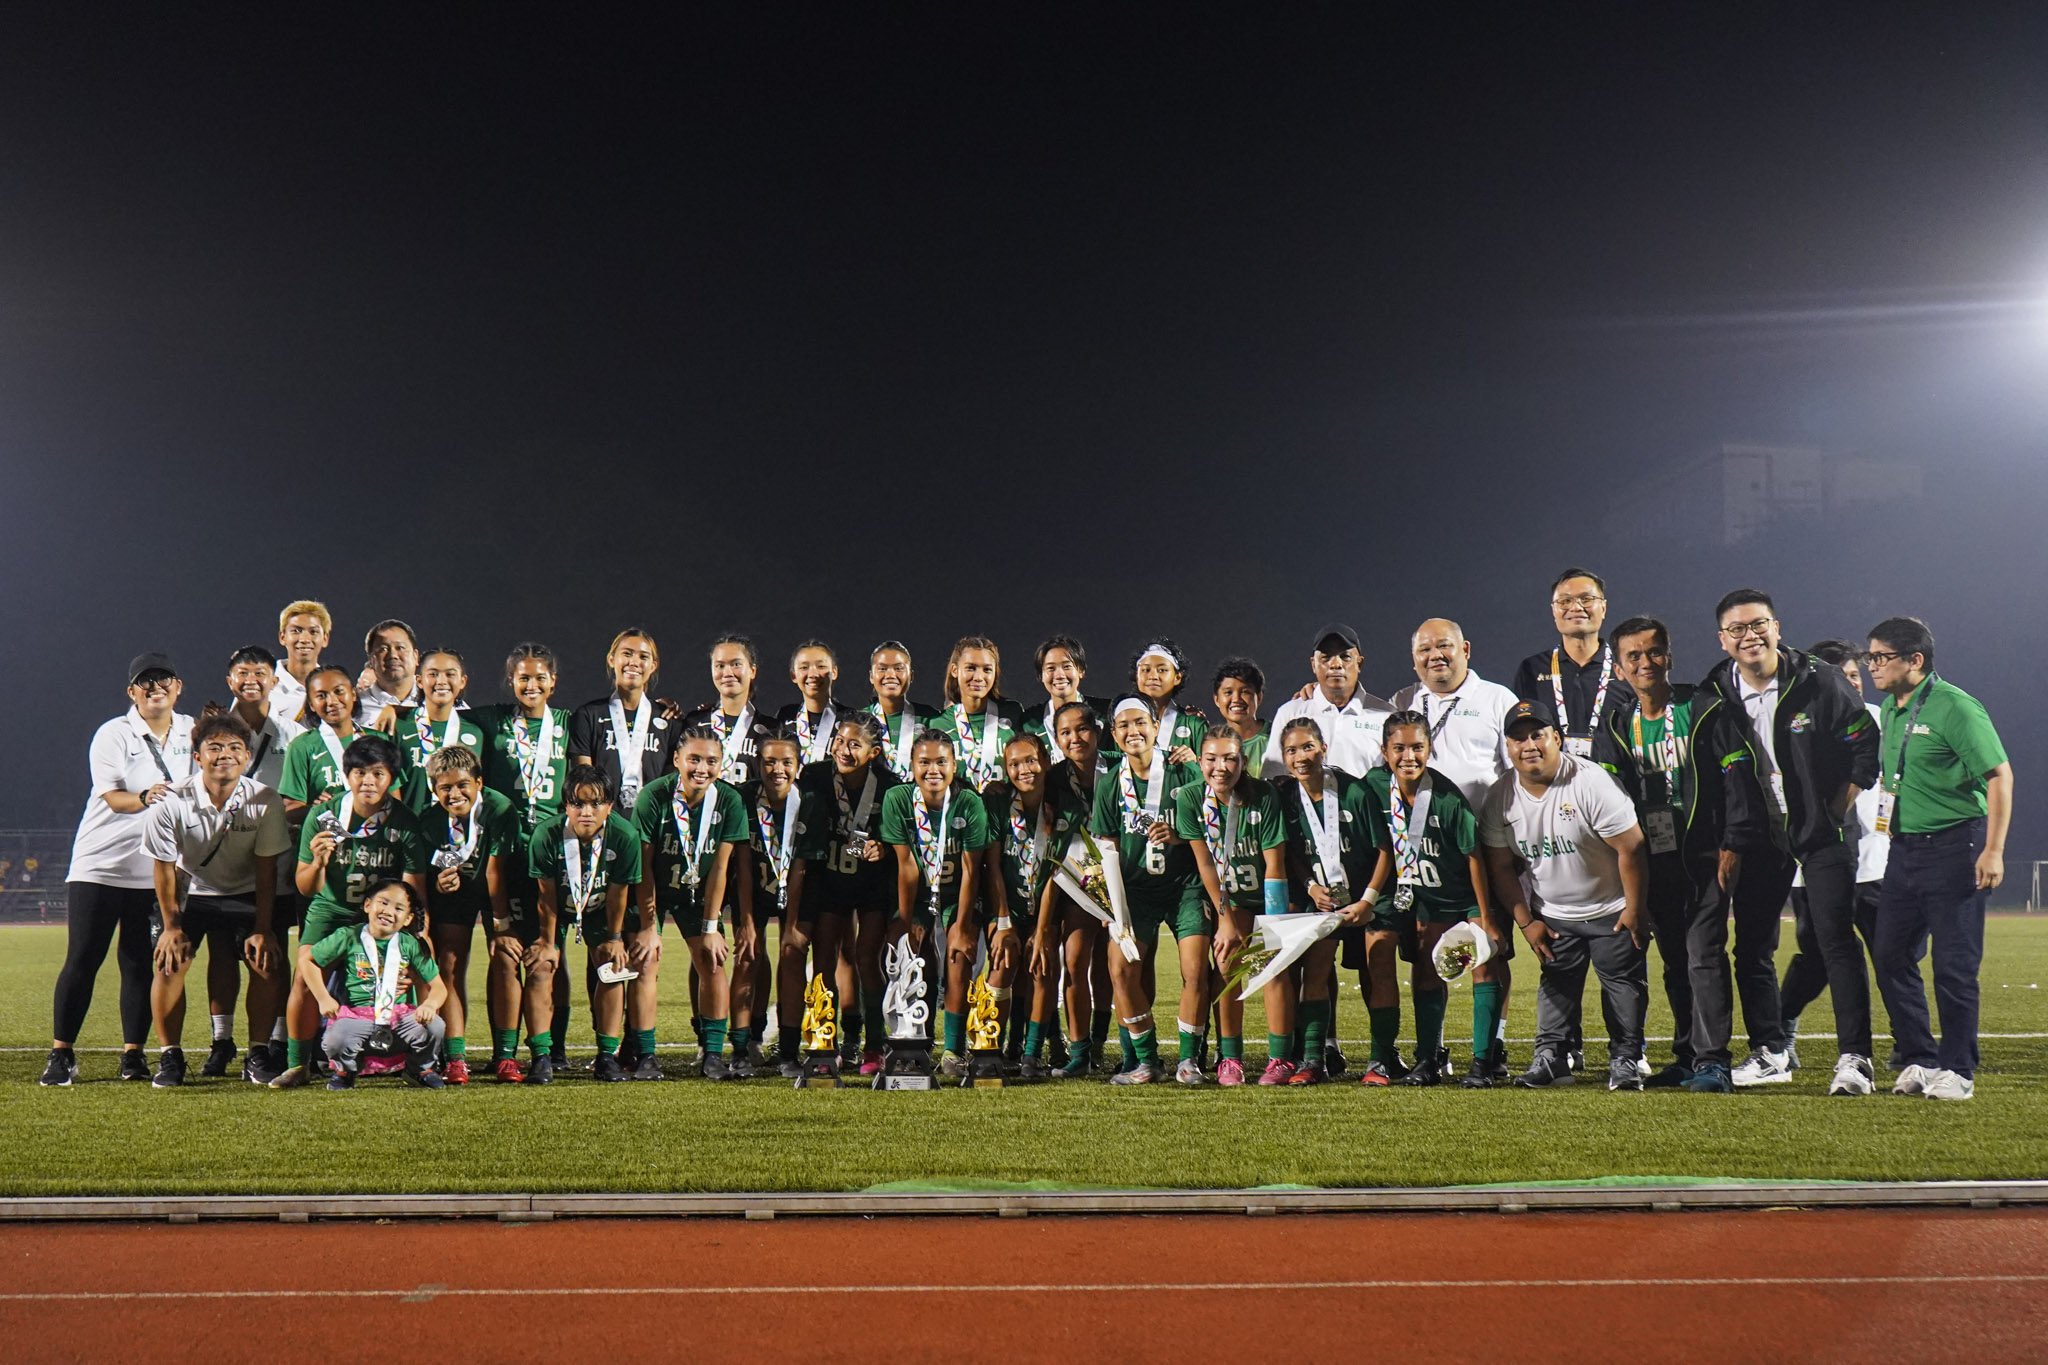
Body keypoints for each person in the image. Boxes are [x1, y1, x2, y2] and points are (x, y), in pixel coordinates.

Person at [1699, 589, 1879, 1089]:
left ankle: (1855, 1058)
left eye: (1758, 624)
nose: (1749, 635)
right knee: (1752, 946)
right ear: (1722, 639)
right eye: (1737, 629)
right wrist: (1731, 836)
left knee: (1834, 939)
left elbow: (1865, 742)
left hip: (1820, 832)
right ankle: (1771, 1052)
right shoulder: (1715, 692)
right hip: (1760, 834)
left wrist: (1834, 809)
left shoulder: (1818, 679)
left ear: (1776, 628)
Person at [1593, 617, 1766, 1093]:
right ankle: (1688, 1056)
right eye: (1633, 656)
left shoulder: (1705, 707)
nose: (1645, 662)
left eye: (1654, 652)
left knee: (1703, 954)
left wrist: (1734, 843)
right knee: (1673, 958)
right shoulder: (1616, 723)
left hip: (1704, 855)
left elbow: (1739, 777)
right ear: (1620, 668)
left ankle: (1714, 1063)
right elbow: (1606, 795)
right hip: (1652, 860)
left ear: (1668, 656)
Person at [1864, 617, 2013, 1102]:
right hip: (1903, 849)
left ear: (1915, 660)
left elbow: (1999, 776)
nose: (1872, 666)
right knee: (1890, 955)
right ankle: (1920, 1058)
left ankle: (1958, 1070)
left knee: (1953, 965)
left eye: (1881, 657)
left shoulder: (1955, 706)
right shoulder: (1892, 709)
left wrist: (1993, 849)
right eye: (1869, 656)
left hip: (1954, 846)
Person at [1480, 700, 1651, 1092]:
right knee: (1556, 985)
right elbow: (1501, 867)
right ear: (1507, 747)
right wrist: (1527, 922)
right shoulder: (1499, 796)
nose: (1529, 746)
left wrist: (1635, 909)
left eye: (1537, 735)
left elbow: (1632, 847)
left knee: (1622, 986)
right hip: (1553, 913)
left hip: (1611, 909)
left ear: (1557, 739)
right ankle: (1552, 1059)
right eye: (1518, 739)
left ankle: (1625, 1059)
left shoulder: (1591, 783)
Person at [44, 653, 196, 1087]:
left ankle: (134, 1055)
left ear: (178, 687)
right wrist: (147, 797)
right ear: (132, 692)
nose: (155, 688)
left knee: (139, 964)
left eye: (163, 680)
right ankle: (62, 1053)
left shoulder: (192, 731)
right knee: (83, 958)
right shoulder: (114, 733)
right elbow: (112, 797)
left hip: (156, 869)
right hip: (101, 864)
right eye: (145, 682)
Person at [1390, 618, 1519, 1081]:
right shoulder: (1404, 701)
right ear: (1414, 660)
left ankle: (1492, 1049)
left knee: (1489, 951)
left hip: (1485, 850)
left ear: (1465, 649)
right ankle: (1432, 1054)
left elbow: (1516, 771)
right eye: (1424, 650)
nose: (1435, 656)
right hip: (1425, 857)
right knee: (1428, 955)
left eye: (1444, 646)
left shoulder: (1497, 699)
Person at [270, 734, 430, 1089]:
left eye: (378, 773)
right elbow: (306, 887)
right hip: (333, 908)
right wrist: (318, 862)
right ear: (347, 775)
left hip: (384, 916)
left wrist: (416, 937)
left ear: (391, 778)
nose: (368, 781)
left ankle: (417, 1060)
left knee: (416, 969)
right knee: (305, 974)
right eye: (360, 773)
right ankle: (298, 1065)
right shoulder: (324, 816)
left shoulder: (403, 821)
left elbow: (414, 891)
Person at [141, 712, 289, 1087]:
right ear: (197, 756)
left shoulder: (265, 799)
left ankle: (258, 1053)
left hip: (244, 892)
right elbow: (163, 869)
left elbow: (266, 870)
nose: (226, 754)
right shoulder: (171, 799)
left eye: (236, 747)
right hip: (192, 893)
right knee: (169, 962)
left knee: (266, 961)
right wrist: (171, 926)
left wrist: (263, 928)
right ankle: (170, 1056)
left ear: (247, 756)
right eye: (215, 747)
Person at [1356, 711, 1496, 1087]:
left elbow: (1473, 857)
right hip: (1427, 901)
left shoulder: (1447, 798)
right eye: (1399, 748)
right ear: (1384, 751)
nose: (1409, 756)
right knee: (1427, 970)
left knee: (1483, 966)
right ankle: (1428, 1060)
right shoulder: (1373, 786)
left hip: (1464, 897)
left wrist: (1484, 917)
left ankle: (1483, 1063)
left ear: (1430, 749)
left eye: (1417, 747)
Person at [1780, 639, 1889, 1065]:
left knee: (1891, 957)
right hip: (1817, 863)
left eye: (1856, 676)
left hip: (1875, 864)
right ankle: (1782, 1030)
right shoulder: (1800, 721)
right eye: (1842, 676)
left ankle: (1909, 1045)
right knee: (1818, 958)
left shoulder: (1880, 719)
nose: (1851, 684)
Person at [1088, 696, 1205, 1086]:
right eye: (1123, 725)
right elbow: (1107, 847)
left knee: (1195, 970)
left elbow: (1209, 826)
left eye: (1140, 722)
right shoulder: (1110, 783)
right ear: (1114, 733)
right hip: (1136, 890)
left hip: (1185, 885)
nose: (1133, 730)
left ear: (1156, 726)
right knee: (1121, 970)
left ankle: (1189, 1061)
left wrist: (1180, 835)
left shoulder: (1184, 769)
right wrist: (1111, 906)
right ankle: (1146, 1061)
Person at [470, 643, 575, 1070]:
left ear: (553, 682)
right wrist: (397, 710)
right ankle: (504, 1052)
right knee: (504, 951)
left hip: (552, 854)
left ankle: (554, 1047)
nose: (531, 684)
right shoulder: (491, 720)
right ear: (511, 680)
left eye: (539, 677)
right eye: (523, 677)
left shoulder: (568, 723)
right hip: (504, 852)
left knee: (552, 953)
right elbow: (438, 713)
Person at [634, 726, 752, 1077]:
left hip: (697, 894)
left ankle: (713, 1054)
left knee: (712, 961)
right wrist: (648, 926)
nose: (702, 768)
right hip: (654, 889)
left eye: (711, 761)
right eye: (694, 759)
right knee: (645, 962)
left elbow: (720, 868)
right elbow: (643, 866)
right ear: (676, 760)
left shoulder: (729, 800)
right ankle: (644, 1055)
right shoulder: (654, 795)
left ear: (722, 763)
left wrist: (712, 927)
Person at [1175, 727, 1286, 1086]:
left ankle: (1280, 1058)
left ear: (1243, 761)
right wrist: (1224, 919)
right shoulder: (1190, 798)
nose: (1220, 767)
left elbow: (1275, 864)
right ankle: (1231, 1058)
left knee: (1273, 964)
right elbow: (1206, 864)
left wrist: (1274, 923)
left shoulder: (1263, 795)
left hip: (1268, 896)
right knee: (1226, 961)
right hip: (1232, 898)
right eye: (1211, 758)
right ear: (1200, 761)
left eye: (1230, 759)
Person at [879, 729, 992, 1078]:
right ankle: (916, 1042)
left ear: (954, 766)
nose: (933, 770)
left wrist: (962, 925)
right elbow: (907, 866)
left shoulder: (969, 802)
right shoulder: (898, 799)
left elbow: (971, 870)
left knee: (958, 955)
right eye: (924, 762)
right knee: (912, 954)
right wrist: (907, 922)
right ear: (912, 765)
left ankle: (954, 1050)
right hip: (918, 894)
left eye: (941, 762)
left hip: (957, 894)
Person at [1268, 718, 1374, 1085]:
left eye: (1308, 747)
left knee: (1376, 968)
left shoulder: (1353, 790)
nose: (1300, 756)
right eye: (1291, 750)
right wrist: (1311, 886)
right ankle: (1314, 1059)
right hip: (1321, 901)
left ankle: (1383, 1057)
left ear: (1323, 748)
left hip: (1363, 899)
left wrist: (1369, 898)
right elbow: (1293, 853)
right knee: (1316, 968)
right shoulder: (1287, 796)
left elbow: (1383, 849)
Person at [214, 644, 302, 1075]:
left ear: (274, 680)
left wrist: (271, 815)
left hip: (274, 860)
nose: (251, 680)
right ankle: (221, 1041)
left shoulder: (293, 734)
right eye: (243, 672)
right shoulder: (211, 729)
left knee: (272, 953)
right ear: (230, 680)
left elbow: (305, 795)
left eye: (260, 672)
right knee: (221, 955)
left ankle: (274, 1042)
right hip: (221, 863)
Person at [799, 712, 903, 1074]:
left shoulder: (889, 785)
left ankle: (874, 1045)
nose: (844, 750)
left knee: (867, 958)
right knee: (824, 959)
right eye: (840, 741)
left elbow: (899, 838)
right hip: (829, 880)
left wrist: (884, 846)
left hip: (872, 883)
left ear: (874, 752)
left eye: (854, 744)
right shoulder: (814, 775)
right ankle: (824, 1045)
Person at [529, 763, 645, 1082]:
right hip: (557, 908)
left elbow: (619, 894)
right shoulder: (546, 835)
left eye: (596, 803)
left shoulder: (624, 835)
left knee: (611, 967)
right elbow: (546, 896)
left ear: (610, 805)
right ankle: (542, 1056)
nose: (586, 812)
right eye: (578, 803)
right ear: (565, 805)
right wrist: (546, 942)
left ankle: (607, 1056)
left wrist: (614, 938)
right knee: (541, 966)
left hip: (599, 909)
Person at [416, 745, 520, 1085]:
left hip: (500, 890)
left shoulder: (499, 808)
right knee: (448, 962)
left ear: (479, 783)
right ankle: (456, 1058)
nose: (454, 794)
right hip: (457, 894)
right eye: (445, 787)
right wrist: (439, 883)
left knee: (505, 957)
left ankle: (506, 1055)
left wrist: (502, 925)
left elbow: (495, 872)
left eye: (462, 785)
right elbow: (427, 873)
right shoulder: (430, 820)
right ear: (434, 789)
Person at [986, 731, 1085, 1079]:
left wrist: (1042, 931)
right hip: (1005, 908)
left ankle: (1031, 1055)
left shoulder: (1066, 808)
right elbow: (993, 867)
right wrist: (1003, 923)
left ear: (1045, 760)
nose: (1023, 769)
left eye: (1030, 760)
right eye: (1014, 764)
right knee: (1003, 961)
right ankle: (988, 1049)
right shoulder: (997, 804)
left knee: (1043, 964)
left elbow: (1056, 875)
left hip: (1046, 907)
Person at [300, 880, 447, 1089]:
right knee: (336, 1037)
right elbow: (307, 961)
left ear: (408, 919)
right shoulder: (349, 936)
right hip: (357, 1017)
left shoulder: (410, 943)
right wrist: (323, 998)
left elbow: (439, 987)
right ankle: (345, 1071)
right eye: (383, 903)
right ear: (367, 905)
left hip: (398, 1019)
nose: (389, 911)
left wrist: (430, 1005)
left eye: (398, 908)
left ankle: (419, 1069)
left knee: (435, 1025)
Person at [1045, 701, 1116, 1075]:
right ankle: (1079, 1051)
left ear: (1098, 732)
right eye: (1065, 732)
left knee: (1110, 965)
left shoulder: (1119, 767)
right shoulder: (1052, 778)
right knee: (1074, 960)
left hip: (1120, 879)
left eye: (1082, 729)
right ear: (1056, 739)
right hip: (1076, 882)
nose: (1075, 738)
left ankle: (1100, 1044)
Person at [1512, 569, 1623, 761]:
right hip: (1553, 778)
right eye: (1565, 601)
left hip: (1616, 778)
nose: (1576, 607)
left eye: (1586, 599)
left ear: (1603, 608)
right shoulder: (1532, 669)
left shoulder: (1626, 668)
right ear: (1554, 611)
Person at [1263, 624, 1393, 783]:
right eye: (1325, 657)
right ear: (1313, 664)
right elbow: (1273, 776)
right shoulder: (1290, 713)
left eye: (1345, 657)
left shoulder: (1386, 716)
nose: (1335, 664)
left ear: (1359, 663)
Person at [570, 628, 677, 814]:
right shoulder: (588, 715)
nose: (634, 662)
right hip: (604, 822)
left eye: (643, 657)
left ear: (653, 666)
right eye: (627, 654)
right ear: (612, 659)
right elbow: (583, 781)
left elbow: (671, 785)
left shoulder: (668, 719)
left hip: (651, 824)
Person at [376, 648, 486, 813]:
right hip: (410, 826)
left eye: (450, 674)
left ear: (462, 681)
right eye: (433, 674)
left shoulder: (475, 732)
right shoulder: (397, 726)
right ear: (419, 681)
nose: (441, 681)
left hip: (456, 827)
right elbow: (387, 782)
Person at [277, 668, 386, 819]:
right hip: (327, 832)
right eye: (321, 696)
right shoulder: (302, 746)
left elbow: (395, 798)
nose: (332, 701)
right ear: (311, 704)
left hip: (374, 830)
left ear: (353, 694)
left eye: (339, 691)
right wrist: (319, 809)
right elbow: (291, 810)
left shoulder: (378, 740)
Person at [683, 634, 776, 786]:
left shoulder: (771, 729)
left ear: (752, 671)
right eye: (720, 666)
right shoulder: (693, 723)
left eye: (736, 664)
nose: (727, 673)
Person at [937, 636, 1027, 793]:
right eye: (971, 668)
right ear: (955, 670)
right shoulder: (938, 722)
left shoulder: (1013, 713)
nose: (979, 677)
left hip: (1008, 807)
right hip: (960, 808)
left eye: (987, 670)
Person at [865, 640, 941, 779]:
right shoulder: (860, 720)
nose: (890, 675)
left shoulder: (930, 718)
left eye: (899, 668)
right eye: (882, 669)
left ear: (911, 676)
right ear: (871, 676)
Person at [1024, 636, 1112, 754]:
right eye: (1051, 668)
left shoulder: (1105, 714)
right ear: (1041, 675)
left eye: (1067, 666)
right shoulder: (1030, 722)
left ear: (1081, 671)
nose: (1059, 675)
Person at [1129, 638, 1206, 764]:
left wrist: (1194, 763)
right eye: (1145, 670)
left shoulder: (1194, 724)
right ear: (1136, 676)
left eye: (1162, 670)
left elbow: (1212, 769)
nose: (1153, 676)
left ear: (1177, 677)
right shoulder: (1121, 721)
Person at [775, 640, 849, 767]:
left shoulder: (850, 718)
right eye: (804, 667)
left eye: (821, 666)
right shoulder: (785, 716)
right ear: (793, 675)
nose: (813, 674)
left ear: (834, 672)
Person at [269, 600, 332, 725]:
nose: (304, 639)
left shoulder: (333, 686)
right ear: (282, 637)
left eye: (313, 632)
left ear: (325, 638)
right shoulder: (262, 684)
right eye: (296, 631)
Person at [356, 619, 424, 724]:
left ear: (415, 656)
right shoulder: (354, 708)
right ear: (371, 660)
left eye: (400, 648)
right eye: (383, 649)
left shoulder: (436, 700)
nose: (393, 655)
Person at [1210, 657, 1271, 773]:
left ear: (1259, 697)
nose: (1236, 699)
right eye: (1228, 692)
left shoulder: (1276, 736)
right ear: (1217, 700)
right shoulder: (1211, 744)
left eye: (1245, 692)